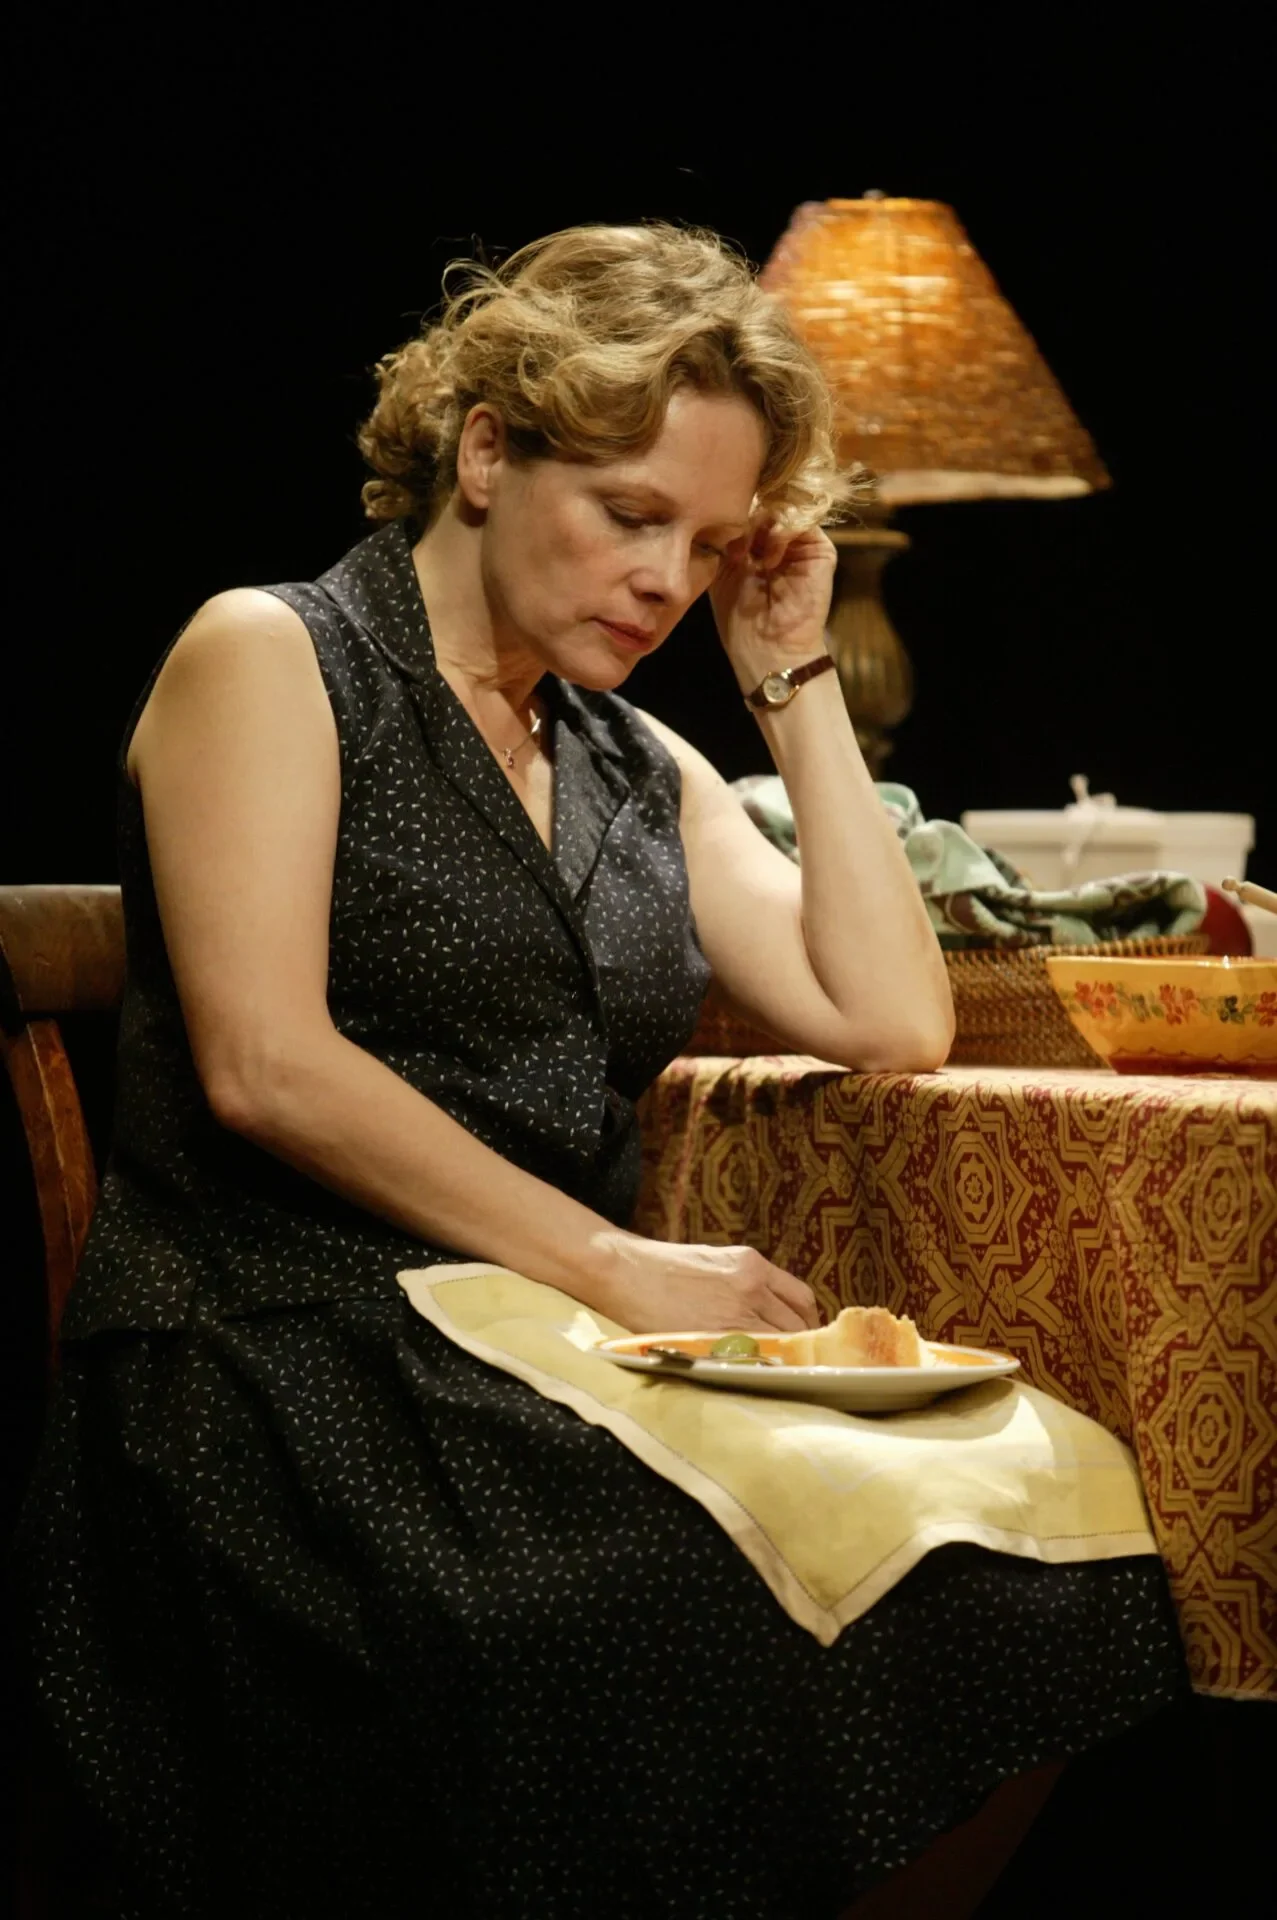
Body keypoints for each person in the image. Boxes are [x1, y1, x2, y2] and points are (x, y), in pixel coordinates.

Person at [17, 223, 1187, 1918]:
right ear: (488, 451)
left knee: (1043, 1541)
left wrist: (789, 680)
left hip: (538, 1354)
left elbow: (890, 1018)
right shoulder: (277, 658)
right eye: (632, 515)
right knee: (699, 1605)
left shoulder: (632, 758)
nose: (665, 581)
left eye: (707, 543)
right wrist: (617, 1263)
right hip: (281, 1353)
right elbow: (269, 1064)